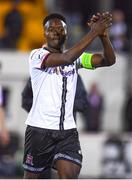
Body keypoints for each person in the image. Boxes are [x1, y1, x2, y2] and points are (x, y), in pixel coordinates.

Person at [23, 12, 116, 179]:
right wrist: (93, 32)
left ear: (67, 33)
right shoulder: (37, 56)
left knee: (69, 176)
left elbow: (108, 60)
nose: (57, 32)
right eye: (51, 29)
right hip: (39, 131)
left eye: (61, 29)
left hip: (67, 133)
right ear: (44, 34)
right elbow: (66, 58)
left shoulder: (76, 59)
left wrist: (103, 36)